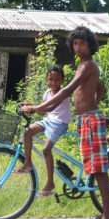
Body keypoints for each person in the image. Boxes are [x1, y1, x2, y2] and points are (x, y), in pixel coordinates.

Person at [22, 26, 109, 219]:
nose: (78, 47)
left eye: (82, 43)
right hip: (86, 119)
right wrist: (92, 104)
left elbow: (67, 90)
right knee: (93, 168)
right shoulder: (84, 65)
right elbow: (99, 87)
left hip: (91, 120)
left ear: (90, 45)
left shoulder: (88, 64)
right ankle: (105, 215)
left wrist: (38, 108)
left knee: (99, 170)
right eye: (75, 43)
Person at [14, 65, 72, 198]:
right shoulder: (47, 93)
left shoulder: (63, 94)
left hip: (60, 123)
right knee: (27, 131)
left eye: (57, 80)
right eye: (51, 79)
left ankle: (50, 183)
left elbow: (51, 107)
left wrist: (32, 108)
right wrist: (30, 106)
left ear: (62, 80)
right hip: (48, 120)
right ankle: (27, 163)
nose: (53, 82)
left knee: (46, 150)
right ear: (47, 79)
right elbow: (43, 111)